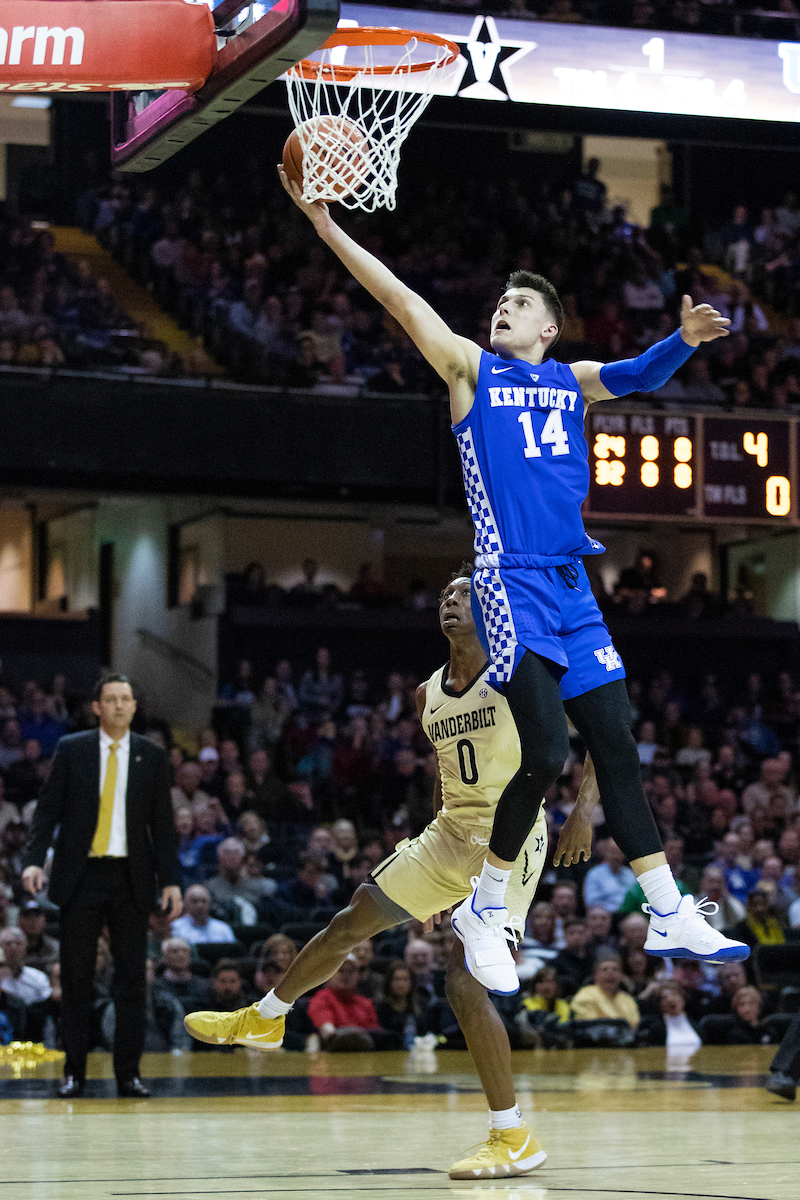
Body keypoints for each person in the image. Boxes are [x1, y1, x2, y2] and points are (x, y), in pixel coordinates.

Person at [276, 161, 748, 994]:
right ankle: (487, 906)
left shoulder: (571, 382)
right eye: (502, 300)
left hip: (572, 584)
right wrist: (324, 225)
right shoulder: (469, 370)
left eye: (521, 304)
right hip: (508, 579)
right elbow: (398, 298)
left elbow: (638, 374)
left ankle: (668, 904)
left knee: (619, 747)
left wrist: (686, 340)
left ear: (549, 330)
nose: (505, 307)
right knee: (547, 749)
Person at [185, 571, 597, 1179]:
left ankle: (512, 1135)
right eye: (445, 596)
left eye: (465, 595)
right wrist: (435, 878)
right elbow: (443, 774)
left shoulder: (522, 671)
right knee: (354, 916)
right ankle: (267, 1016)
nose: (451, 603)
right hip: (451, 834)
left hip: (512, 839)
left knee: (463, 976)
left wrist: (583, 811)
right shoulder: (429, 691)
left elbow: (606, 732)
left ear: (494, 609)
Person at [21, 674, 182, 1099]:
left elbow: (163, 825)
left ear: (134, 706)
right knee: (75, 978)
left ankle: (128, 1074)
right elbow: (48, 810)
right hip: (82, 876)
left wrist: (173, 882)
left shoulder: (151, 754)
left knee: (132, 980)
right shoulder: (72, 749)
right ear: (96, 707)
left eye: (125, 699)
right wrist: (34, 860)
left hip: (132, 878)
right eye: (110, 699)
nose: (118, 706)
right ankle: (74, 1072)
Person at [570, 955, 640, 1029]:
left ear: (622, 976)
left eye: (615, 969)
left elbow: (634, 1025)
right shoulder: (585, 994)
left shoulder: (628, 999)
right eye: (604, 969)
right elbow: (589, 1025)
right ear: (595, 975)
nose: (610, 973)